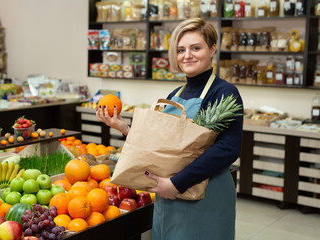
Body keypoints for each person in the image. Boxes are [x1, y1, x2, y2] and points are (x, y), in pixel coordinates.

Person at [96, 18, 243, 240]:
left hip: (206, 194)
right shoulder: (175, 95)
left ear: (212, 49)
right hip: (168, 196)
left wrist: (176, 183)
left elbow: (227, 148)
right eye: (181, 49)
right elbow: (160, 146)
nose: (187, 55)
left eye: (196, 48)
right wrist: (124, 127)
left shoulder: (224, 93)